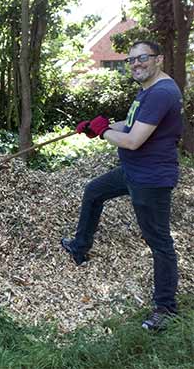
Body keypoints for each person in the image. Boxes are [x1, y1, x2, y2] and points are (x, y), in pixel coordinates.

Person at [61, 41, 183, 331]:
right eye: (131, 60)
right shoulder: (150, 90)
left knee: (159, 242)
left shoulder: (161, 93)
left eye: (142, 58)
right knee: (94, 191)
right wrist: (98, 126)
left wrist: (103, 133)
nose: (136, 64)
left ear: (159, 59)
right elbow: (131, 126)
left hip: (150, 180)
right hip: (133, 171)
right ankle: (80, 246)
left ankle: (165, 308)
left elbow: (132, 141)